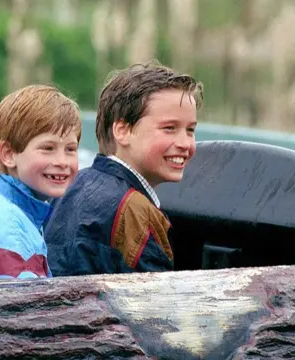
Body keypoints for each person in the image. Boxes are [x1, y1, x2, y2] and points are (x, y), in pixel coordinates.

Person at [45, 61, 203, 276]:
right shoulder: (136, 211)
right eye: (169, 128)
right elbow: (156, 302)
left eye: (190, 130)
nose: (185, 143)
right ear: (122, 131)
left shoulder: (73, 184)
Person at [0, 85, 81, 279]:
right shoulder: (10, 228)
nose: (62, 161)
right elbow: (22, 305)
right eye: (48, 148)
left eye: (70, 149)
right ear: (8, 154)